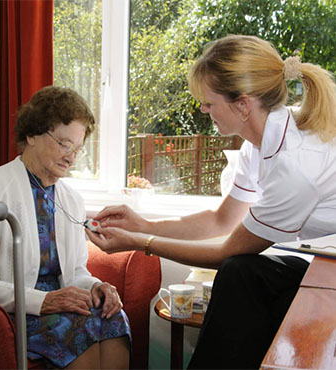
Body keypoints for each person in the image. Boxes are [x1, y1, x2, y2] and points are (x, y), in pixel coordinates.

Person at [85, 35, 336, 369]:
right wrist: (141, 224)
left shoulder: (295, 166)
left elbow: (225, 251)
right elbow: (222, 221)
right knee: (243, 276)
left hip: (328, 272)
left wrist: (138, 242)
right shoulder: (259, 143)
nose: (203, 110)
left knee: (238, 271)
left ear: (243, 104)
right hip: (324, 266)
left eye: (208, 102)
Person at [0, 86, 130, 369]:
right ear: (31, 135)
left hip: (64, 304)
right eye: (64, 144)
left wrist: (96, 286)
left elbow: (76, 272)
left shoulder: (71, 199)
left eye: (77, 149)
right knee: (78, 326)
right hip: (17, 310)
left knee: (113, 318)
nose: (71, 157)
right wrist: (44, 301)